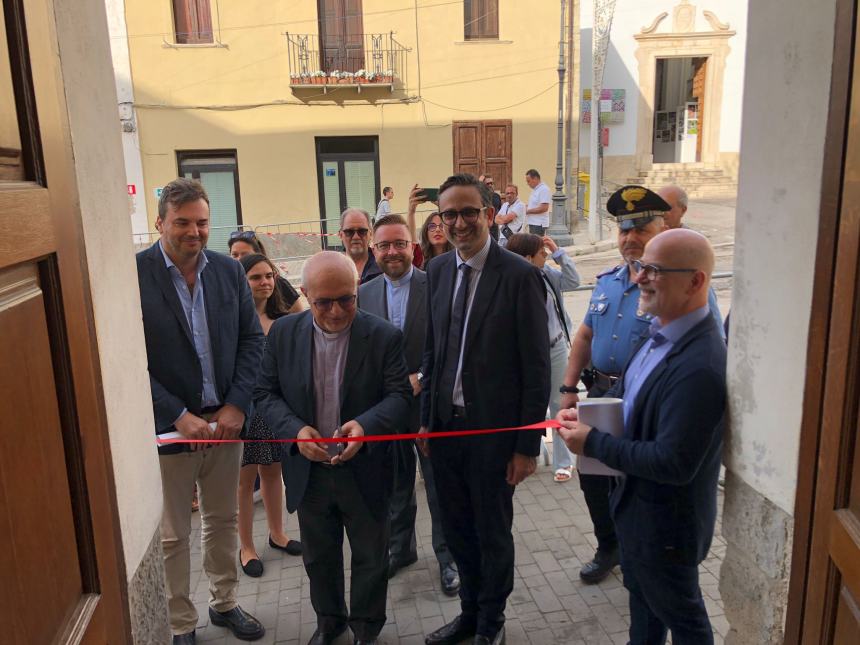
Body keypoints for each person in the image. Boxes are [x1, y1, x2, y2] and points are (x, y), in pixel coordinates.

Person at [556, 228, 727, 645]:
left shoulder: (701, 364)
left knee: (685, 621)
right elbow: (627, 396)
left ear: (695, 281)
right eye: (639, 267)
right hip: (636, 514)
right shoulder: (660, 332)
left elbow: (673, 462)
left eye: (653, 270)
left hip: (666, 528)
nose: (638, 279)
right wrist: (586, 410)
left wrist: (591, 442)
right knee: (644, 616)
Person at [419, 174, 551, 645]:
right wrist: (425, 423)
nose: (458, 223)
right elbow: (432, 353)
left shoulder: (521, 277)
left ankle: (491, 624)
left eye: (468, 212)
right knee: (457, 531)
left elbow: (537, 371)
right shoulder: (435, 272)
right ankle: (469, 614)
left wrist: (526, 446)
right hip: (446, 432)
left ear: (489, 215)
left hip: (494, 438)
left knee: (492, 533)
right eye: (448, 214)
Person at [254, 251, 412, 645]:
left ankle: (365, 628)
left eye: (347, 299)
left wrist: (366, 425)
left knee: (371, 559)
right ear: (305, 294)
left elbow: (399, 397)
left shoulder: (384, 336)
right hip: (311, 473)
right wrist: (295, 431)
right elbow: (265, 394)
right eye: (324, 302)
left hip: (367, 470)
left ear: (357, 291)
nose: (338, 311)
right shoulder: (283, 334)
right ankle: (329, 623)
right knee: (319, 558)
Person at [137, 178, 265, 643]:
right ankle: (180, 624)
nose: (194, 231)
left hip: (225, 423)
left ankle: (224, 603)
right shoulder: (136, 274)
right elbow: (129, 356)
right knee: (174, 534)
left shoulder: (230, 273)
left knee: (224, 519)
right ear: (160, 223)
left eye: (203, 222)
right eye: (183, 223)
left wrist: (236, 405)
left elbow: (252, 342)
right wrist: (176, 414)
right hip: (172, 430)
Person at [357, 214, 460, 597]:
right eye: (384, 245)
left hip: (430, 406)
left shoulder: (434, 283)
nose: (392, 251)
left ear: (411, 246)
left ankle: (449, 557)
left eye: (399, 243)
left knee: (439, 486)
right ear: (374, 249)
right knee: (396, 484)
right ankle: (400, 551)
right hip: (388, 410)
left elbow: (451, 343)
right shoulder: (364, 292)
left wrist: (422, 376)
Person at [236, 254, 302, 579]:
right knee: (246, 480)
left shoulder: (283, 319)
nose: (264, 282)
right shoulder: (234, 319)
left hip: (274, 406)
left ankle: (278, 534)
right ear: (242, 281)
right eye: (255, 277)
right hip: (245, 408)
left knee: (273, 471)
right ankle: (246, 547)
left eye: (269, 276)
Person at [504, 233, 581, 483]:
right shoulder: (509, 282)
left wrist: (559, 253)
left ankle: (563, 463)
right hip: (523, 354)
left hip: (555, 347)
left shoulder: (547, 274)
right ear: (527, 258)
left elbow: (572, 281)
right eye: (541, 253)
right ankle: (529, 454)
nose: (545, 256)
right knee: (525, 405)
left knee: (559, 405)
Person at [228, 229, 304, 313]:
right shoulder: (226, 284)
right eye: (235, 255)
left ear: (258, 254)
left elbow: (299, 315)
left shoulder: (277, 283)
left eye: (245, 254)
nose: (239, 259)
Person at [339, 208, 383, 285]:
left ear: (371, 233)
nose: (356, 237)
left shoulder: (383, 266)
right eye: (349, 232)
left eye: (362, 231)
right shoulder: (332, 269)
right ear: (341, 235)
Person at [524, 169, 551, 236]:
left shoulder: (544, 189)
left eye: (528, 181)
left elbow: (544, 208)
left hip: (538, 224)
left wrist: (528, 211)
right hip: (533, 222)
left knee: (537, 245)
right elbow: (534, 205)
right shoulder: (535, 190)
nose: (528, 184)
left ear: (535, 179)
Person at [479, 174, 502, 241]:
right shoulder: (478, 196)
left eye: (491, 183)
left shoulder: (497, 196)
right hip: (483, 227)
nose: (490, 185)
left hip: (494, 228)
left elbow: (499, 210)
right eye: (487, 183)